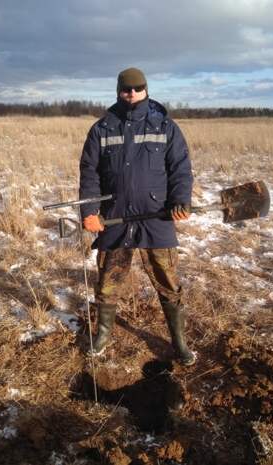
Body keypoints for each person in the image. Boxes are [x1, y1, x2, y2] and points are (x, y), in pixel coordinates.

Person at [79, 67, 196, 366]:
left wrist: (181, 200)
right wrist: (90, 211)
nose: (132, 94)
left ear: (146, 89)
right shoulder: (102, 129)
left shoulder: (165, 126)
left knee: (168, 280)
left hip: (156, 218)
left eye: (137, 88)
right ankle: (102, 335)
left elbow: (180, 168)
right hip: (115, 219)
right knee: (107, 282)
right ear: (118, 91)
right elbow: (89, 174)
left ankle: (179, 342)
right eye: (126, 89)